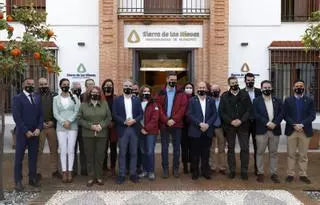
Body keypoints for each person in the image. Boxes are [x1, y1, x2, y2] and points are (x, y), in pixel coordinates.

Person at [12, 78, 43, 191]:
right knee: (19, 158)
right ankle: (18, 181)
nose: (31, 86)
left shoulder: (36, 97)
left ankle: (32, 178)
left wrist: (39, 128)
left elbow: (41, 115)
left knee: (33, 157)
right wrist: (26, 131)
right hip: (22, 133)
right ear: (23, 85)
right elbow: (17, 117)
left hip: (35, 133)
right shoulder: (17, 98)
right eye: (28, 84)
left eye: (32, 84)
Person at [78, 86, 112, 187]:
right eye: (93, 92)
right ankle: (90, 177)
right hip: (87, 134)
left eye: (97, 92)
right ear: (89, 93)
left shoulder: (104, 104)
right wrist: (91, 126)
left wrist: (101, 125)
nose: (95, 94)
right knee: (89, 156)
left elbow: (109, 117)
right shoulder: (83, 105)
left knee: (100, 156)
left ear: (100, 94)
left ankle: (99, 176)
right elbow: (79, 119)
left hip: (101, 134)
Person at [219, 76, 252, 180]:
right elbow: (222, 112)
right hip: (230, 126)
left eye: (236, 82)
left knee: (245, 148)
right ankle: (232, 170)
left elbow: (249, 110)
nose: (234, 84)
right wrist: (231, 121)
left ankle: (244, 170)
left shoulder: (245, 94)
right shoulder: (224, 96)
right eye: (232, 83)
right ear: (229, 84)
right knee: (231, 149)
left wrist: (241, 120)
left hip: (243, 125)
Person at [156, 71, 188, 178]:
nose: (172, 81)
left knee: (176, 148)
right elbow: (159, 108)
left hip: (177, 124)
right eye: (171, 79)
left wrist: (174, 119)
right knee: (164, 147)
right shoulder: (161, 92)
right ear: (167, 79)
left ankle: (175, 169)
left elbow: (183, 108)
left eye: (174, 80)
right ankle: (165, 169)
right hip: (164, 124)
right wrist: (166, 120)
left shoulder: (181, 93)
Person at [284, 80, 316, 184]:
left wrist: (302, 124)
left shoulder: (309, 100)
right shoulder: (288, 100)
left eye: (301, 86)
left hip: (304, 130)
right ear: (293, 88)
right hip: (292, 130)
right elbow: (285, 115)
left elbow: (312, 115)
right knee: (291, 154)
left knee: (303, 155)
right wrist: (294, 125)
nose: (299, 87)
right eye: (297, 86)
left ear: (304, 87)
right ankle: (290, 174)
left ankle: (303, 174)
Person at [113, 80, 143, 184]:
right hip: (123, 129)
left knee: (134, 153)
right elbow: (115, 114)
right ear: (122, 87)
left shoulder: (136, 100)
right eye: (126, 85)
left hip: (134, 129)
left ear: (132, 88)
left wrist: (134, 120)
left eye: (130, 86)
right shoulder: (117, 100)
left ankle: (133, 174)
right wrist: (124, 122)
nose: (128, 87)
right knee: (122, 153)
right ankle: (121, 174)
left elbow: (140, 114)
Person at [253, 80, 283, 183]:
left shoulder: (278, 100)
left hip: (275, 130)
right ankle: (260, 173)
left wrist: (275, 123)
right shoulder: (256, 101)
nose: (267, 89)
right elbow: (255, 114)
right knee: (260, 152)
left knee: (273, 153)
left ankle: (273, 173)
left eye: (269, 87)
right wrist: (267, 122)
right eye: (265, 88)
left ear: (271, 88)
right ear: (261, 89)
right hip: (262, 130)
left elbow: (281, 113)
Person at [187, 81, 217, 180]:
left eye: (203, 87)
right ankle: (195, 172)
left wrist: (207, 124)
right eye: (200, 87)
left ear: (207, 89)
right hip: (196, 130)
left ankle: (205, 171)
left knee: (206, 153)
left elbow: (214, 114)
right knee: (195, 153)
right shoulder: (192, 100)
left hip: (207, 130)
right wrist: (200, 124)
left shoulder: (211, 100)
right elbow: (190, 114)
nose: (201, 89)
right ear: (197, 89)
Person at [53, 78, 80, 183]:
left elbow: (77, 111)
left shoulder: (74, 97)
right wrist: (63, 122)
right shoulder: (55, 99)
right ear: (60, 86)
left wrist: (69, 121)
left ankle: (70, 171)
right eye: (64, 84)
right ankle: (64, 172)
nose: (66, 86)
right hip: (61, 128)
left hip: (72, 127)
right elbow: (55, 113)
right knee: (63, 149)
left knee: (71, 150)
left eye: (68, 84)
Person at [36, 78, 61, 180]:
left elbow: (58, 111)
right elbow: (33, 112)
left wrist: (53, 122)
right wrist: (40, 124)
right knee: (38, 151)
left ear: (48, 84)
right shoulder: (35, 96)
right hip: (40, 128)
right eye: (41, 84)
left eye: (45, 84)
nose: (43, 86)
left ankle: (54, 170)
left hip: (51, 127)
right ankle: (37, 172)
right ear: (38, 85)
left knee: (54, 150)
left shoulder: (54, 96)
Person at [138, 85, 160, 180]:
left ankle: (151, 171)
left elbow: (155, 119)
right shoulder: (137, 103)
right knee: (143, 151)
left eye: (148, 91)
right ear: (141, 92)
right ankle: (145, 170)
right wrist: (141, 128)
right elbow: (135, 117)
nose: (146, 93)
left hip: (151, 131)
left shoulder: (154, 104)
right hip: (140, 130)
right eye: (144, 91)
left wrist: (146, 128)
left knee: (150, 151)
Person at [241, 73, 262, 176]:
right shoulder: (240, 92)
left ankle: (257, 169)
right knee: (244, 148)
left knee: (257, 147)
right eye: (248, 80)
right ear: (245, 81)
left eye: (252, 80)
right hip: (244, 124)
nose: (250, 82)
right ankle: (244, 170)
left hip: (257, 124)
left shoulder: (259, 92)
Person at [102, 79, 118, 176]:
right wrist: (105, 123)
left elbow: (118, 112)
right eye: (107, 85)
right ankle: (103, 167)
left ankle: (112, 167)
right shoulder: (100, 98)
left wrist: (114, 122)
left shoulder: (116, 98)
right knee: (103, 148)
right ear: (103, 86)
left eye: (110, 85)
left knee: (113, 148)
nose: (108, 87)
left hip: (113, 127)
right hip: (103, 127)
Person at [209, 84, 227, 175]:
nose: (215, 91)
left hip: (221, 128)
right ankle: (212, 167)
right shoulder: (208, 100)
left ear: (219, 90)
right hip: (211, 127)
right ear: (210, 91)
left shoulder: (224, 100)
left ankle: (222, 167)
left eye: (216, 90)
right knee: (211, 149)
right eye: (213, 90)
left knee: (222, 148)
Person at [129, 82, 142, 175]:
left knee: (138, 149)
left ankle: (138, 167)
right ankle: (128, 167)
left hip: (139, 129)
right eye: (132, 90)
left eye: (136, 90)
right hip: (128, 128)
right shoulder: (126, 99)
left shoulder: (142, 100)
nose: (134, 91)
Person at [181, 82, 194, 174]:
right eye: (187, 87)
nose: (188, 89)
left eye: (190, 87)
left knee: (193, 147)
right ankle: (185, 166)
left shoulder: (195, 98)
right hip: (183, 126)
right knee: (184, 147)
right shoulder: (181, 98)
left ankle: (193, 165)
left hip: (193, 126)